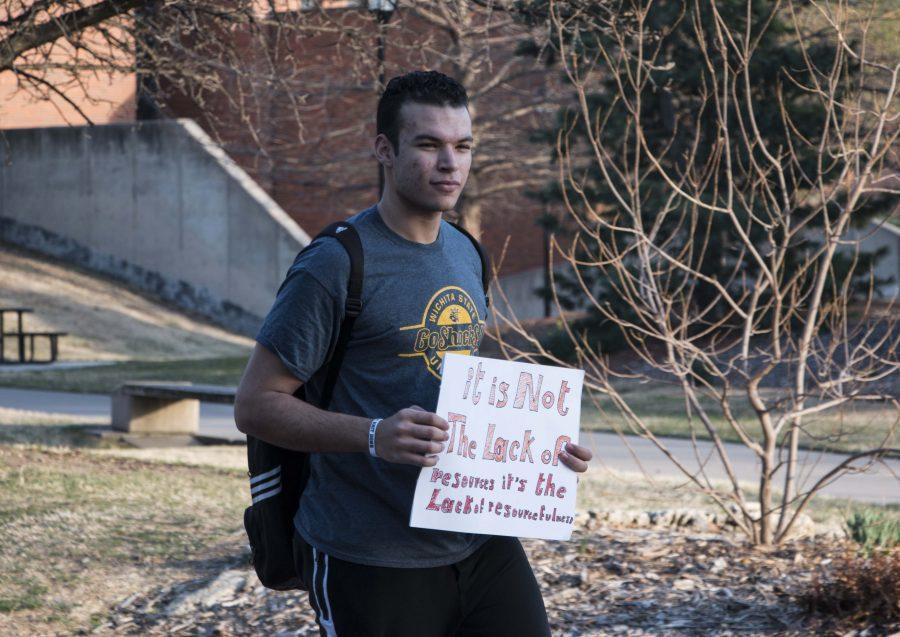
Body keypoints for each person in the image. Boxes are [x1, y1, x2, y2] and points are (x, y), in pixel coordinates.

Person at [234, 70, 593, 637]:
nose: (451, 163)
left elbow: (456, 387)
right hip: (370, 552)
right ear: (384, 148)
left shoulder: (467, 251)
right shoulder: (335, 263)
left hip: (479, 537)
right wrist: (375, 434)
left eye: (463, 146)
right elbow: (254, 406)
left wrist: (537, 448)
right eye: (429, 145)